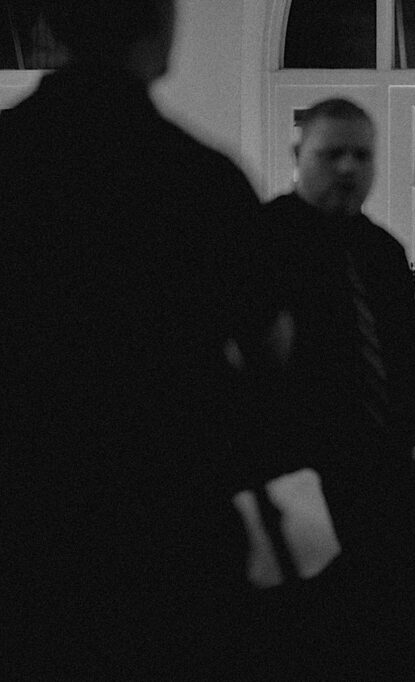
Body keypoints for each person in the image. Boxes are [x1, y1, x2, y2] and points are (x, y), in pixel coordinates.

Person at [1, 0, 275, 677]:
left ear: (51, 30)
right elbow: (270, 349)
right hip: (167, 523)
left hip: (21, 515)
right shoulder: (205, 180)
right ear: (161, 33)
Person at [256, 97, 415, 679]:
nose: (349, 168)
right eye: (332, 154)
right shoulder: (262, 239)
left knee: (397, 645)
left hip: (387, 481)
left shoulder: (382, 250)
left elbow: (412, 355)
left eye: (362, 154)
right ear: (297, 155)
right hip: (302, 482)